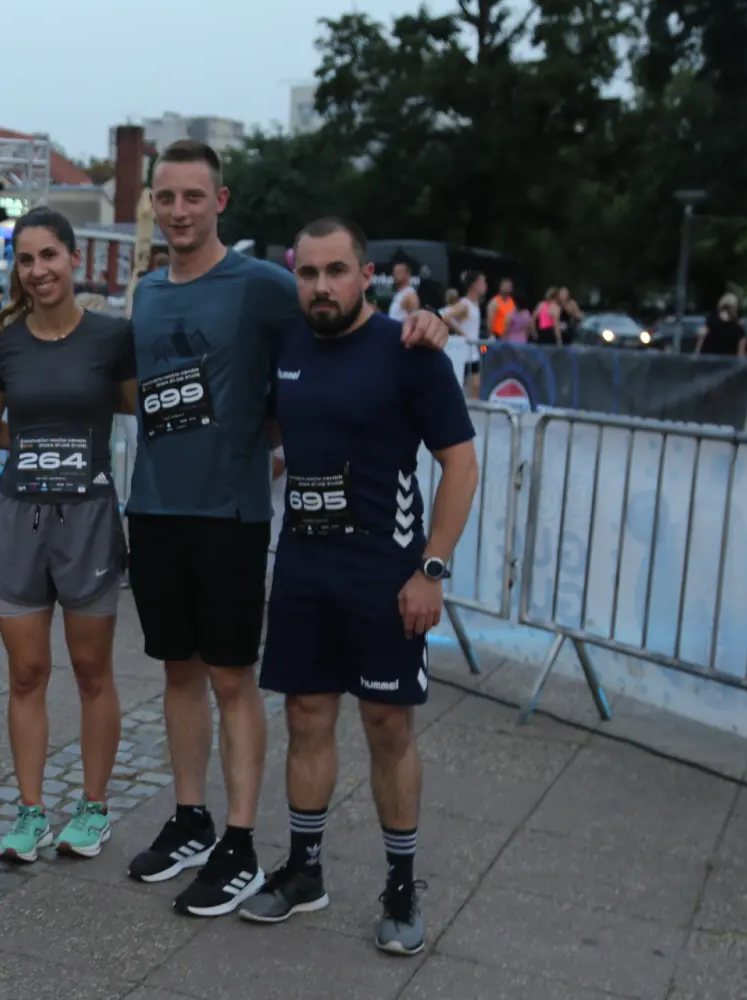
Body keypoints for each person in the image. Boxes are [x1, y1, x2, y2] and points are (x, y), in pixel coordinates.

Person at [122, 139, 448, 918]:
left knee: (249, 683)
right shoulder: (147, 292)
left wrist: (427, 316)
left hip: (238, 517)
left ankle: (246, 843)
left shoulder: (264, 285)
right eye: (165, 198)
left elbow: (344, 321)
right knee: (182, 674)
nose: (178, 211)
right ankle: (197, 821)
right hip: (165, 509)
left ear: (219, 202)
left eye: (193, 197)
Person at [234, 218, 479, 958]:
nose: (321, 287)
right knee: (307, 716)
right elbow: (281, 442)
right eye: (308, 274)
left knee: (387, 726)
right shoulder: (289, 347)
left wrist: (430, 570)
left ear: (366, 273)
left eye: (336, 271)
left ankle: (401, 885)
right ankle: (305, 870)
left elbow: (460, 467)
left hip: (384, 571)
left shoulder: (410, 351)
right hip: (305, 567)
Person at [0, 206, 134, 863]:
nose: (38, 270)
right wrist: (42, 447)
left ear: (73, 260)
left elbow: (134, 409)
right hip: (19, 519)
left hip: (89, 520)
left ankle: (93, 808)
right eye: (26, 258)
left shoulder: (111, 337)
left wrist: (76, 450)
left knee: (93, 670)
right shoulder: (1, 346)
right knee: (26, 673)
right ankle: (30, 811)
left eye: (49, 256)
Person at [695, 293, 746, 357]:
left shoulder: (710, 321)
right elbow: (741, 352)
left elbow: (701, 337)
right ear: (735, 307)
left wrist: (696, 354)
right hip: (729, 364)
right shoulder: (738, 326)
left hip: (708, 361)